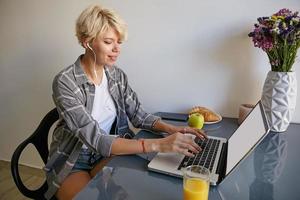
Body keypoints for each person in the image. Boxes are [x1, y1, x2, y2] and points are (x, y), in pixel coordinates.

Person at [44, 4, 206, 200]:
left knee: (137, 190)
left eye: (118, 42)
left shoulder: (117, 76)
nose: (116, 49)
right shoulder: (65, 82)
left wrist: (171, 129)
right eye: (108, 42)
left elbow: (138, 115)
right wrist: (159, 144)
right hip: (74, 160)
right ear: (87, 42)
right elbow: (97, 139)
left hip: (107, 155)